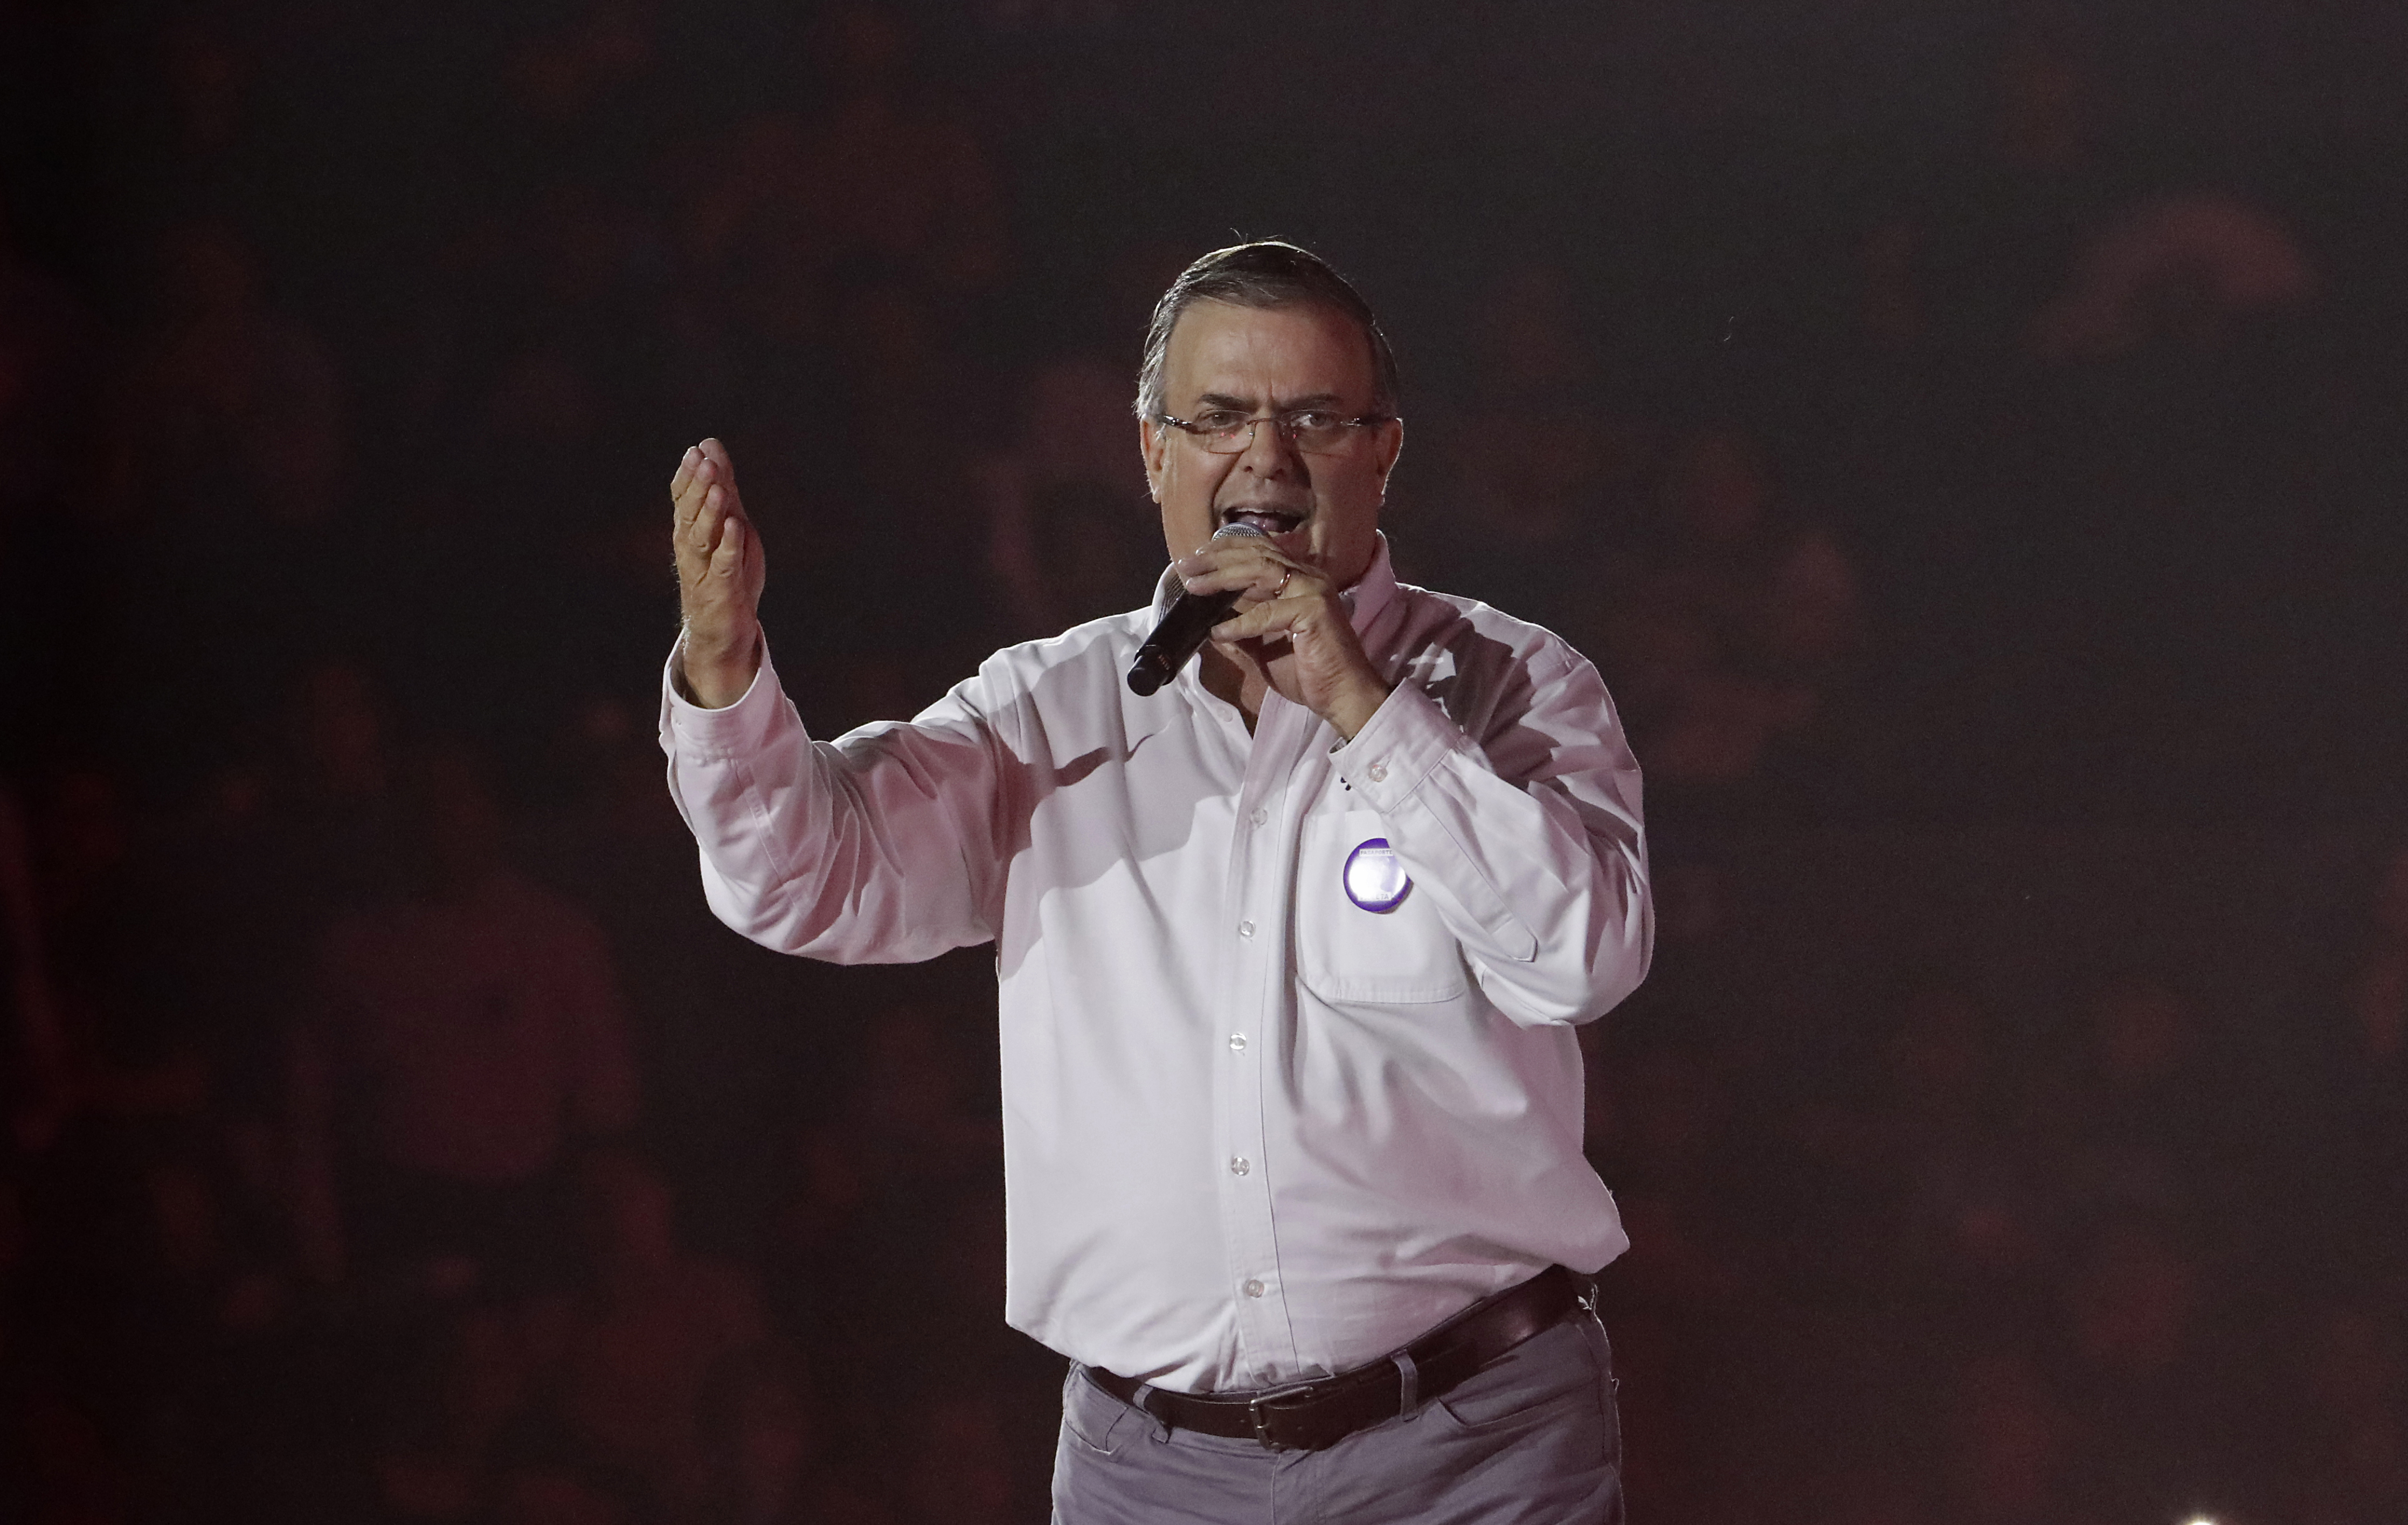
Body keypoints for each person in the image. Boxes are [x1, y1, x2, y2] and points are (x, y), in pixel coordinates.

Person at [660, 241, 1651, 1521]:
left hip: (1472, 1450)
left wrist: (1363, 702)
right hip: (1151, 1471)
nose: (1267, 459)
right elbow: (803, 880)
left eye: (1315, 418)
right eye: (1222, 417)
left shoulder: (1516, 682)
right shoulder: (1048, 706)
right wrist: (727, 666)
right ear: (1150, 453)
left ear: (1384, 450)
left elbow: (1580, 957)